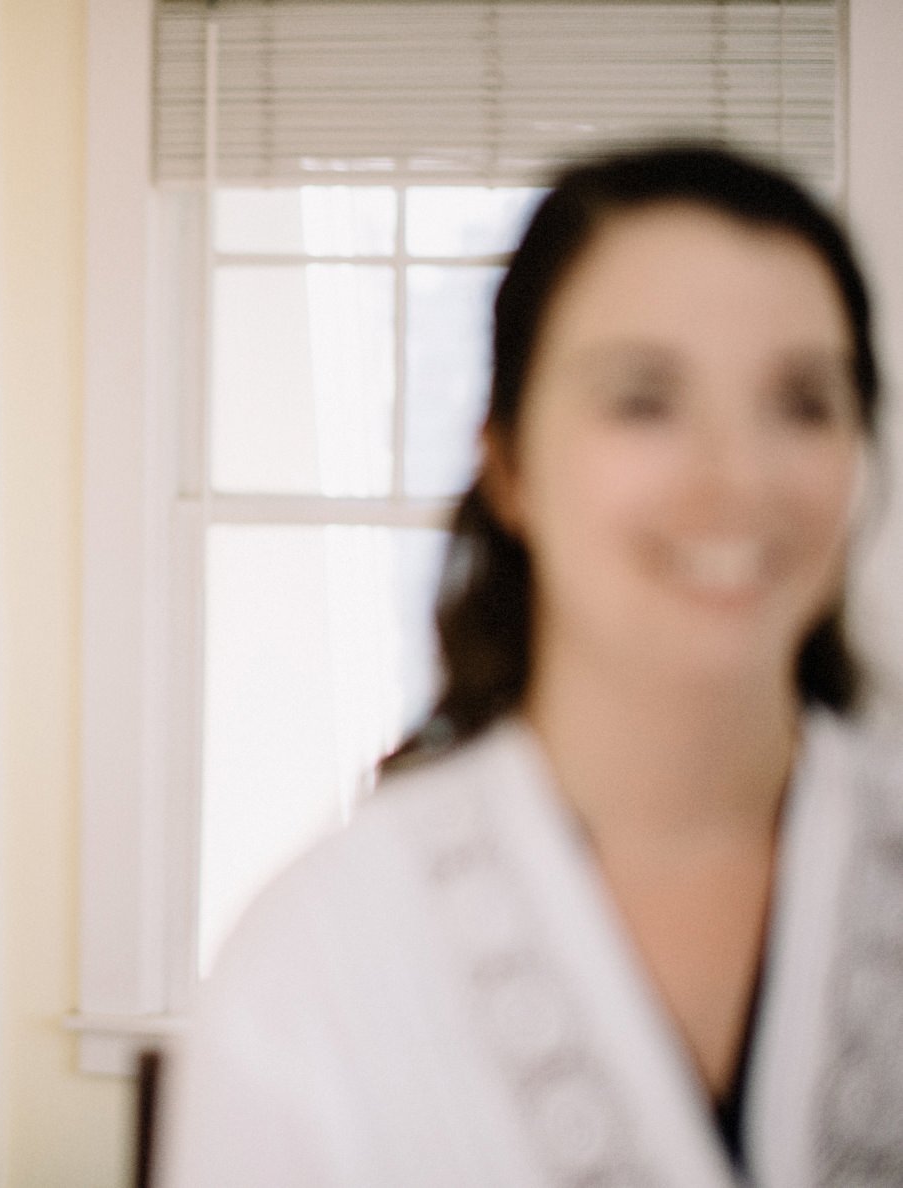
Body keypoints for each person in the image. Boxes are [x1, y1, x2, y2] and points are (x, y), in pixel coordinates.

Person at [160, 147, 903, 1186]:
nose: (736, 476)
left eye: (803, 402)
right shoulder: (311, 973)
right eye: (643, 400)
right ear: (507, 465)